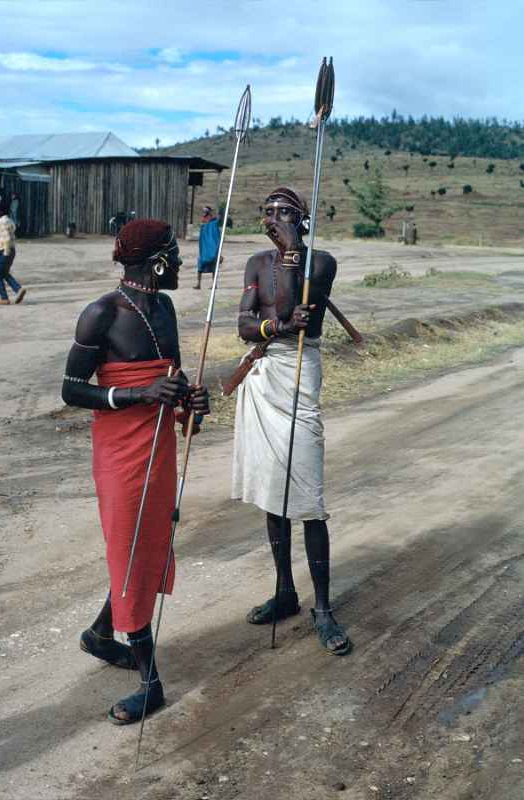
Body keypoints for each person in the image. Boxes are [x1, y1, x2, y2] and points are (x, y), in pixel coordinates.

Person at [62, 219, 210, 724]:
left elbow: (171, 375)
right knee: (128, 544)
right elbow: (71, 390)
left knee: (146, 542)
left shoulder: (165, 309)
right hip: (121, 450)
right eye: (177, 255)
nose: (184, 263)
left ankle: (101, 634)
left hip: (161, 444)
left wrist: (190, 395)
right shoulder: (101, 313)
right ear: (160, 262)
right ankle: (151, 683)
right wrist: (137, 395)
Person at [232, 186, 351, 656]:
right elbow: (249, 323)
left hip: (300, 373)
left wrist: (291, 256)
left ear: (303, 218)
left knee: (307, 494)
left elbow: (286, 302)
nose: (274, 218)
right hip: (264, 373)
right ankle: (286, 592)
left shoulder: (320, 262)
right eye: (269, 211)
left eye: (285, 212)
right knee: (272, 490)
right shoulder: (255, 263)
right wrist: (276, 329)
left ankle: (323, 608)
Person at [0, 199, 26, 306]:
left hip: (5, 251)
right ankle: (18, 289)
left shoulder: (3, 222)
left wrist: (5, 252)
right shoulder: (9, 221)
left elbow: (6, 238)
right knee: (4, 273)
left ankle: (4, 298)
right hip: (12, 250)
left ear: (2, 211)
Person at [193, 206, 220, 290]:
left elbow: (216, 236)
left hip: (211, 249)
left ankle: (214, 284)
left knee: (213, 267)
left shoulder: (213, 223)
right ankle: (198, 284)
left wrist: (218, 251)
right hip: (204, 249)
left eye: (205, 211)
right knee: (200, 265)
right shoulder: (204, 221)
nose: (203, 213)